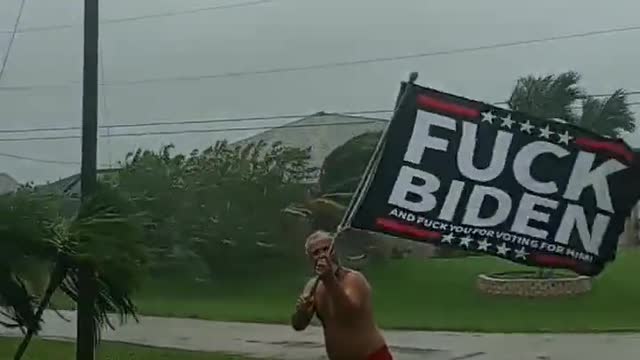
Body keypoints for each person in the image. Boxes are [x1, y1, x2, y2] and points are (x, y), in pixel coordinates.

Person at [290, 230, 393, 360]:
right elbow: (298, 325)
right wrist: (302, 313)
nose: (323, 255)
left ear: (335, 251)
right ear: (311, 259)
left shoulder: (354, 279)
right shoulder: (313, 286)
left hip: (371, 356)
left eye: (326, 249)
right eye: (316, 252)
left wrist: (329, 280)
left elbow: (348, 314)